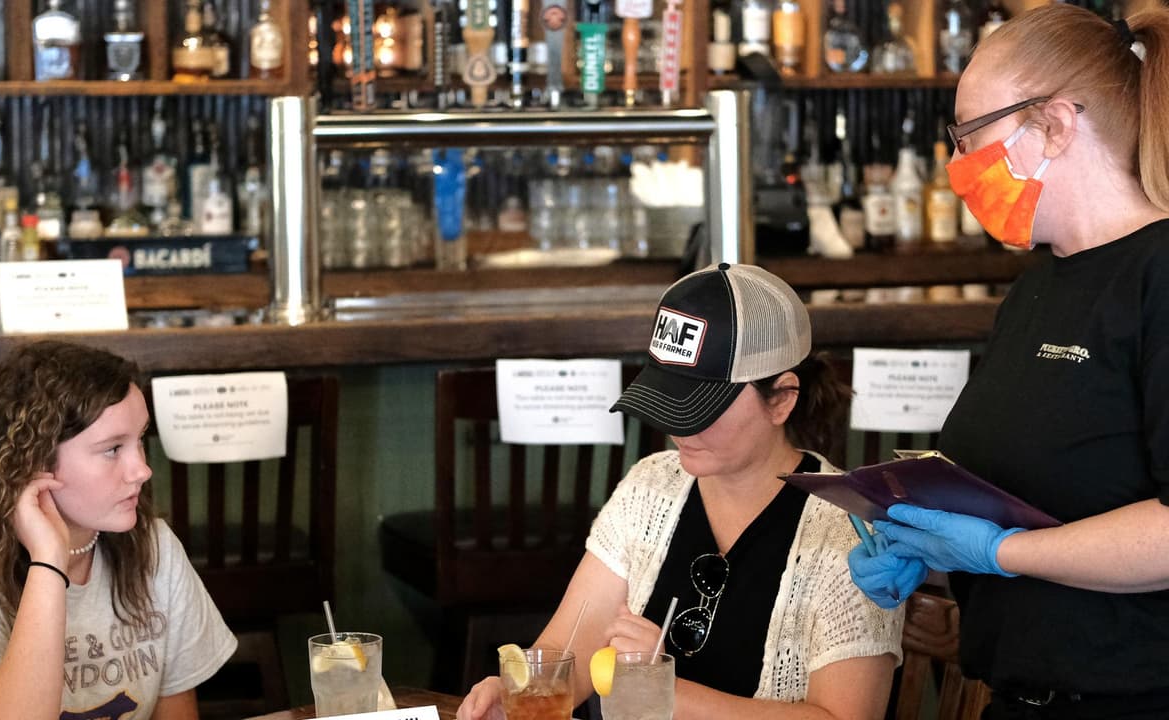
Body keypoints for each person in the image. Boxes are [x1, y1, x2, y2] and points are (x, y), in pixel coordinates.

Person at [848, 5, 1169, 719]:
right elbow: (1042, 480)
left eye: (970, 138)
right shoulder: (1036, 286)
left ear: (1054, 125)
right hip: (1015, 696)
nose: (958, 168)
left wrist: (1000, 552)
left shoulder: (1159, 274)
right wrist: (927, 547)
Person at [458, 264, 903, 720]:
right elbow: (566, 649)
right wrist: (519, 692)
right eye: (669, 397)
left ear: (783, 398)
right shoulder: (650, 487)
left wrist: (661, 691)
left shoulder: (850, 535)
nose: (677, 426)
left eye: (702, 406)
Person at [0, 341, 237, 720]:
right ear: (34, 462)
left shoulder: (154, 548)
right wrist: (48, 562)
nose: (142, 469)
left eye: (139, 439)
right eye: (112, 449)